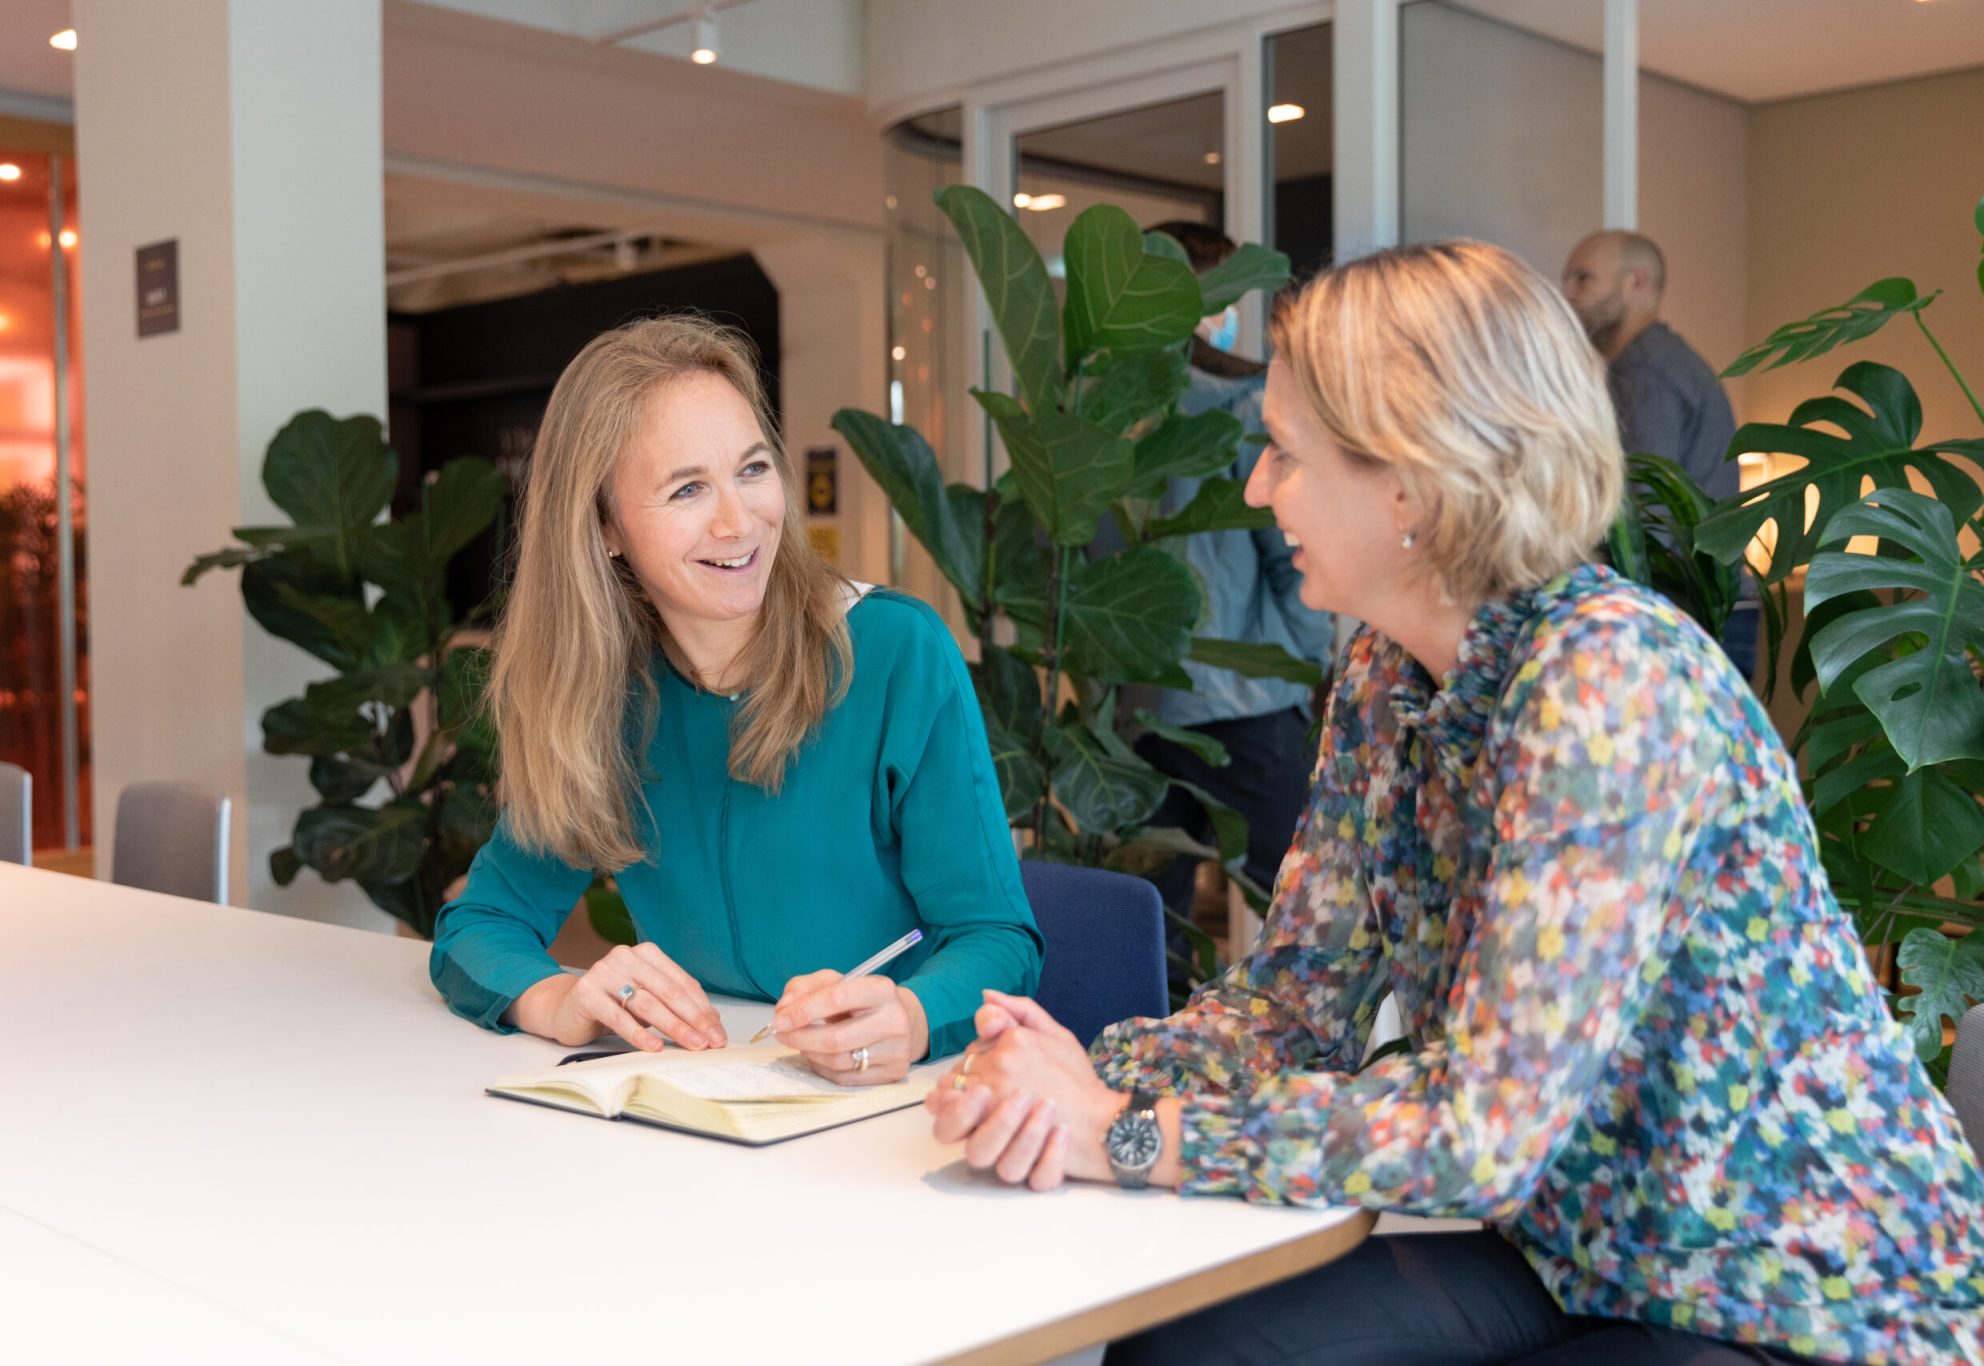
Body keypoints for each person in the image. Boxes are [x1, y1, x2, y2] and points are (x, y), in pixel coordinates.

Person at [923, 241, 1984, 1364]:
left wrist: (1125, 1136)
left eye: (1281, 453)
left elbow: (1479, 1132)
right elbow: (1297, 1001)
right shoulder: (1385, 675)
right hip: (1575, 1243)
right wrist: (1072, 1077)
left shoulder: (1610, 683)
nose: (1252, 487)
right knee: (1190, 1351)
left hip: (1793, 1288)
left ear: (1410, 481)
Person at [430, 315, 1041, 1083]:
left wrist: (912, 1019)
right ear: (604, 528)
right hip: (705, 1101)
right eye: (688, 488)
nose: (739, 519)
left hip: (893, 1108)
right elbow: (479, 926)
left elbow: (998, 940)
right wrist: (558, 999)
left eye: (752, 470)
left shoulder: (896, 654)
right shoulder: (603, 691)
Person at [1134, 221, 1334, 918]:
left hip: (1133, 713)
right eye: (1219, 300)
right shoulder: (1239, 402)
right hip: (1244, 701)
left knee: (1151, 923)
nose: (1226, 322)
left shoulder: (1090, 412)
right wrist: (1304, 663)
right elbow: (1289, 552)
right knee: (1310, 911)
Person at [1563, 230, 1757, 680]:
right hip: (1705, 606)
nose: (1567, 294)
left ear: (1637, 283)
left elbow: (1641, 520)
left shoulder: (1646, 373)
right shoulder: (1654, 362)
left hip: (1689, 612)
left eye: (1583, 279)